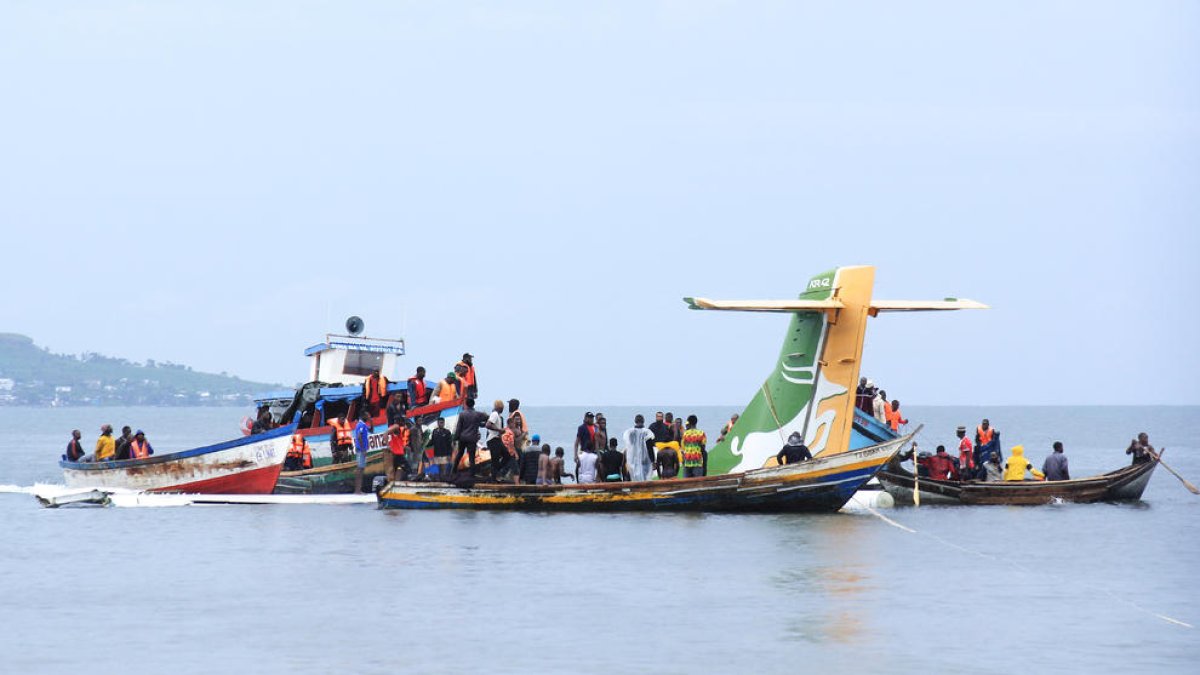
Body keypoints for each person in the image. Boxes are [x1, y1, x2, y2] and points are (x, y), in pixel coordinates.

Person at [452, 398, 488, 477]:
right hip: (472, 438)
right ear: (473, 404)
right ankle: (472, 474)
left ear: (466, 404)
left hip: (463, 437)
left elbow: (459, 428)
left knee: (459, 454)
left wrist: (455, 438)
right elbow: (487, 418)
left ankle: (453, 471)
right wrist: (481, 423)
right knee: (472, 457)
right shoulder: (478, 414)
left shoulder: (462, 414)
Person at [622, 414, 656, 482]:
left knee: (634, 478)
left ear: (635, 421)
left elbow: (629, 447)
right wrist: (653, 461)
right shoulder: (647, 432)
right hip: (645, 460)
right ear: (643, 421)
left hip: (633, 460)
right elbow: (650, 448)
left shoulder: (630, 432)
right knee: (645, 479)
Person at [485, 399, 509, 481]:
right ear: (499, 407)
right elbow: (488, 425)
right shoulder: (494, 414)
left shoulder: (498, 416)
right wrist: (499, 430)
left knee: (506, 455)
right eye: (502, 408)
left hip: (497, 439)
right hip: (493, 439)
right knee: (496, 459)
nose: (503, 410)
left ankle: (496, 473)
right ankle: (494, 477)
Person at [353, 412, 371, 493]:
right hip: (361, 450)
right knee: (359, 469)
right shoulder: (360, 425)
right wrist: (363, 449)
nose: (368, 417)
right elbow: (359, 436)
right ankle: (357, 490)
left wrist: (371, 421)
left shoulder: (364, 425)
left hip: (362, 450)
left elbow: (371, 430)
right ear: (363, 416)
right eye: (367, 416)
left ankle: (359, 489)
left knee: (361, 469)